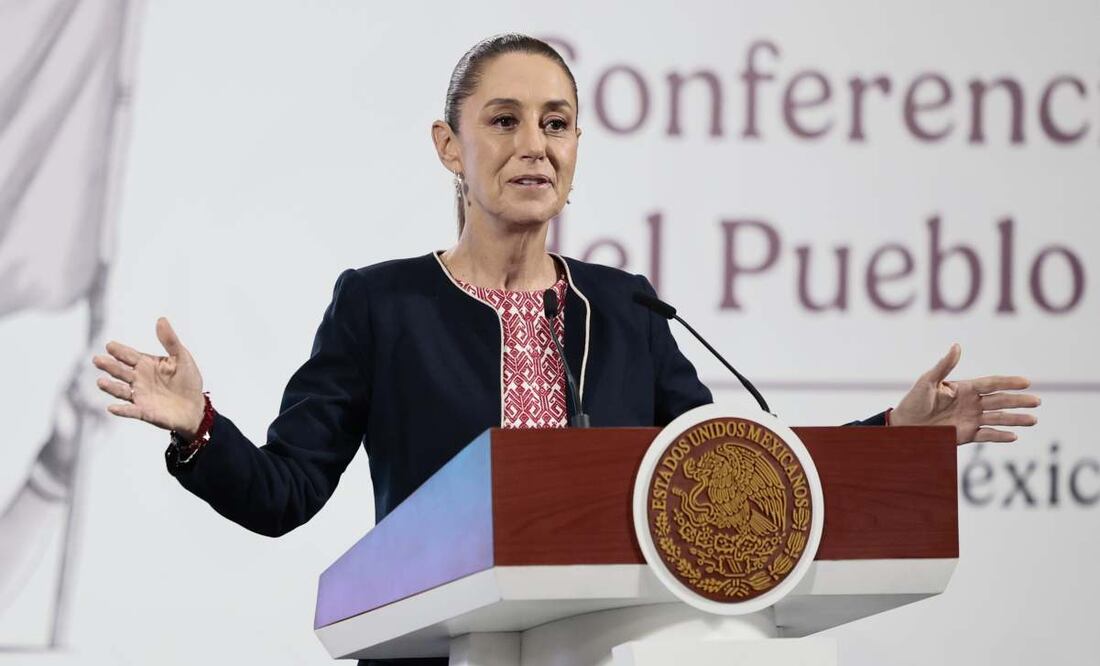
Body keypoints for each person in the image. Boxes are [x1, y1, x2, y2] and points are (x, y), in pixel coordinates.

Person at [90, 34, 1040, 665]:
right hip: (441, 647)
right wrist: (199, 427)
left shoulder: (623, 308)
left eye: (555, 123)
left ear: (578, 146)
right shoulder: (381, 305)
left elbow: (736, 475)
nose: (533, 144)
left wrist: (892, 437)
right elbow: (286, 493)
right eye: (503, 121)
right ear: (449, 147)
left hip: (603, 644)